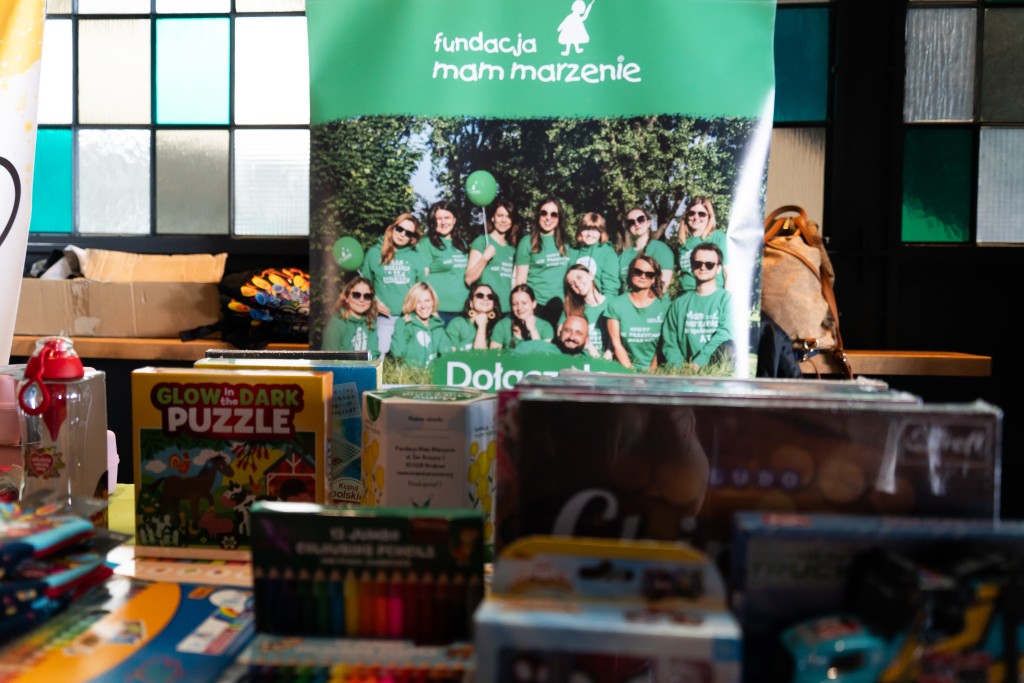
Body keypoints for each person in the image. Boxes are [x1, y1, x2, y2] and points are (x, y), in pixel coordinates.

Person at [360, 213, 428, 353]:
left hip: (409, 319)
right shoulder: (373, 253)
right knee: (380, 358)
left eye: (408, 233)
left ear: (412, 237)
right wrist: (373, 302)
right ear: (392, 228)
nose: (402, 234)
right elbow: (364, 286)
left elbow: (421, 291)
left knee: (406, 360)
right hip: (382, 319)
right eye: (399, 229)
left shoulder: (417, 257)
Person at [663, 243, 734, 370]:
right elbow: (670, 342)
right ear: (691, 266)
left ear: (718, 268)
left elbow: (724, 334)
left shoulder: (727, 300)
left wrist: (699, 363)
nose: (703, 267)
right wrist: (680, 369)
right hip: (686, 369)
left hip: (715, 368)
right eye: (698, 263)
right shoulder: (679, 303)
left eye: (709, 264)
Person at [606, 254, 671, 371]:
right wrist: (632, 373)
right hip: (625, 368)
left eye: (649, 274)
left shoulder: (665, 305)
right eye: (637, 272)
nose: (643, 276)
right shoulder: (616, 305)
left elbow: (665, 343)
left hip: (657, 369)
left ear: (654, 279)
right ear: (630, 273)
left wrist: (652, 372)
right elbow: (616, 344)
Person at [514, 198, 571, 329]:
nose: (548, 218)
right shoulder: (527, 242)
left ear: (559, 218)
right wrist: (522, 309)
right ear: (538, 215)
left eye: (553, 214)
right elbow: (521, 281)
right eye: (544, 213)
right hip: (537, 306)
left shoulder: (566, 243)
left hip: (562, 307)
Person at [418, 201, 469, 323]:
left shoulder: (462, 243)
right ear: (433, 221)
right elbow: (421, 280)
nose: (443, 222)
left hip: (464, 310)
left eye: (447, 218)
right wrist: (431, 308)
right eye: (439, 219)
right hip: (439, 311)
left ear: (454, 220)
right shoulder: (426, 244)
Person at [465, 199, 519, 308]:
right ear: (493, 218)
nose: (504, 220)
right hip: (486, 308)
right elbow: (468, 279)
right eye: (500, 215)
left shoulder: (512, 249)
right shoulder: (481, 241)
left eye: (508, 216)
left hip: (507, 309)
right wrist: (485, 258)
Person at [389, 282, 450, 369]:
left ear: (433, 302)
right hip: (410, 375)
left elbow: (447, 355)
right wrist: (399, 324)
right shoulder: (408, 326)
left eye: (427, 300)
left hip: (431, 375)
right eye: (418, 302)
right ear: (412, 304)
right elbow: (398, 354)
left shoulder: (437, 327)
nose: (423, 306)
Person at [676, 197, 729, 293]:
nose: (696, 217)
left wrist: (725, 299)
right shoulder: (682, 243)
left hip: (711, 296)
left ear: (709, 217)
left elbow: (728, 274)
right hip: (685, 296)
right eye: (691, 213)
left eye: (702, 214)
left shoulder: (718, 237)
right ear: (686, 216)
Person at [617, 207, 674, 293]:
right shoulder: (624, 256)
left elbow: (662, 286)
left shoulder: (660, 249)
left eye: (640, 219)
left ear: (648, 222)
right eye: (631, 222)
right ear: (628, 227)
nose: (636, 223)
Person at [560, 264, 610, 359]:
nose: (577, 284)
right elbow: (562, 335)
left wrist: (609, 352)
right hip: (582, 360)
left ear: (591, 275)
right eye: (572, 283)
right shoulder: (570, 307)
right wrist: (589, 347)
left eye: (579, 277)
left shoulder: (612, 303)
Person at [321, 276, 379, 357]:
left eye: (367, 296)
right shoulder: (336, 326)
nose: (362, 300)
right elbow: (329, 358)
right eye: (356, 295)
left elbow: (374, 354)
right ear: (346, 298)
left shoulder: (370, 323)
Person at [568, 212, 620, 297]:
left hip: (598, 302)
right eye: (586, 229)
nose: (589, 234)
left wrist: (606, 303)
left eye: (595, 230)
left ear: (601, 232)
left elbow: (611, 287)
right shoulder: (573, 252)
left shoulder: (607, 252)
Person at [491, 284, 554, 350]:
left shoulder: (545, 327)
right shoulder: (502, 325)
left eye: (524, 303)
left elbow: (541, 354)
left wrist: (532, 329)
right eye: (515, 304)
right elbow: (493, 354)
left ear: (534, 304)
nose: (519, 308)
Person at [445, 283, 502, 351]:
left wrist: (482, 326)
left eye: (490, 296)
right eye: (480, 295)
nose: (485, 298)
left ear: (494, 304)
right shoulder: (458, 323)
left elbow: (481, 355)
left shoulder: (498, 327)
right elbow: (449, 354)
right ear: (471, 303)